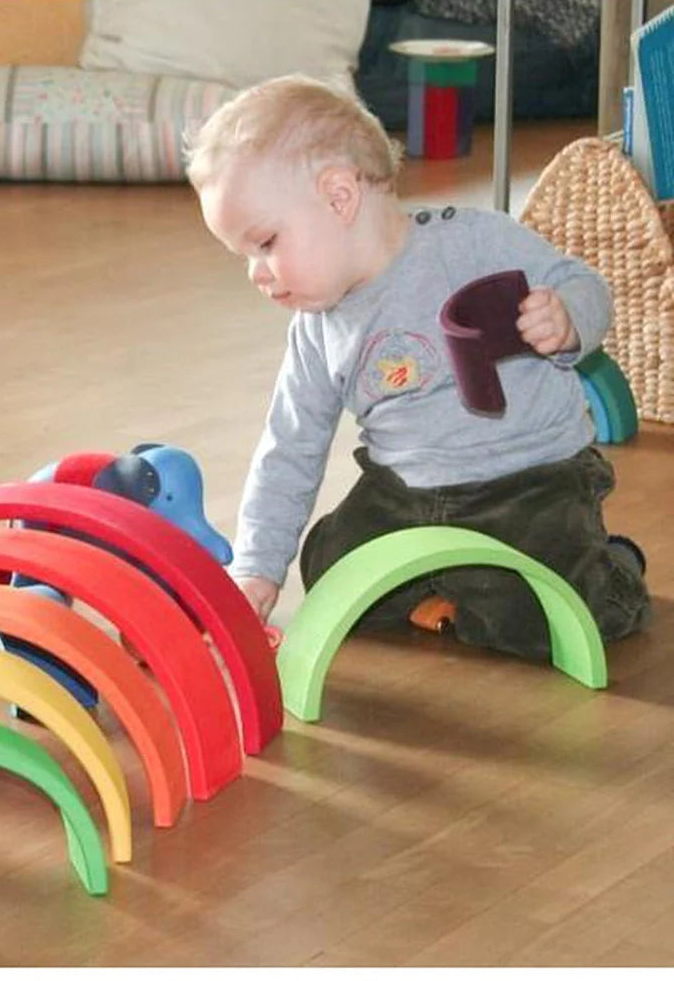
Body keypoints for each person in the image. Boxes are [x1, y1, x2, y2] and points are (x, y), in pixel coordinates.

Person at [184, 73, 651, 660]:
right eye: (245, 257)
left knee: (543, 623)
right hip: (404, 491)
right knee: (331, 576)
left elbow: (584, 285)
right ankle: (454, 580)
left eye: (266, 243)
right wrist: (256, 566)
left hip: (530, 480)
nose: (257, 273)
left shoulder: (475, 244)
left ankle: (612, 569)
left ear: (338, 197)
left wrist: (568, 320)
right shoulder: (316, 331)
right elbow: (289, 450)